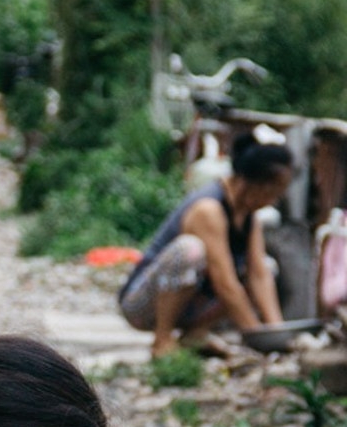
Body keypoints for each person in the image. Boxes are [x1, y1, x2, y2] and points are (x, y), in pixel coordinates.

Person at [118, 128, 292, 358]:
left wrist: (276, 333)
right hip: (141, 305)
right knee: (189, 250)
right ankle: (162, 340)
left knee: (268, 266)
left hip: (192, 307)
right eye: (273, 192)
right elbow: (225, 283)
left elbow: (259, 275)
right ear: (253, 183)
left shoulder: (250, 217)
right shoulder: (208, 209)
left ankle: (194, 335)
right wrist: (256, 337)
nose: (274, 200)